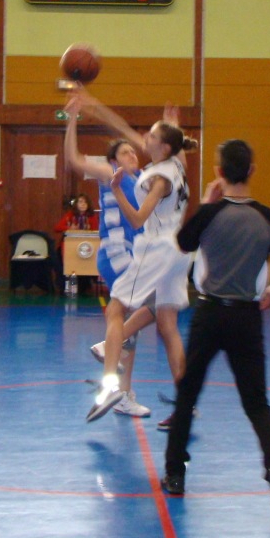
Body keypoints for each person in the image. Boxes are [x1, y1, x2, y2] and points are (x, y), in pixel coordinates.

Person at [162, 139, 270, 515]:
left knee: (188, 394)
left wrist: (206, 205)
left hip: (209, 313)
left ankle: (175, 473)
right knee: (257, 402)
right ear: (252, 170)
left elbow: (183, 243)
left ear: (220, 173)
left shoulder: (209, 215)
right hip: (246, 316)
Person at [85, 104, 195, 424]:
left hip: (155, 248)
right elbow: (157, 140)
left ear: (164, 146)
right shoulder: (176, 164)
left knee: (115, 309)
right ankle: (184, 405)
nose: (145, 137)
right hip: (179, 251)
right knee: (167, 324)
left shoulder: (159, 177)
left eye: (153, 135)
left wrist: (117, 189)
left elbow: (136, 219)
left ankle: (109, 387)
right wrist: (173, 124)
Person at [64, 92, 152, 418]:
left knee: (129, 323)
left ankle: (120, 392)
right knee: (147, 307)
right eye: (125, 152)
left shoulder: (144, 180)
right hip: (116, 253)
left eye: (133, 151)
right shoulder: (108, 173)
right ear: (114, 160)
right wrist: (74, 117)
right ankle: (111, 381)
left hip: (135, 256)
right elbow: (73, 160)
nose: (132, 154)